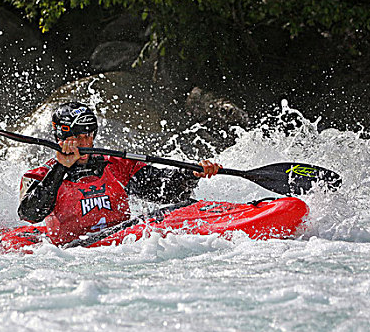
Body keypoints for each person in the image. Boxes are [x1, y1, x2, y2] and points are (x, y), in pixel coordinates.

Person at [18, 101, 221, 245]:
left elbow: (165, 191)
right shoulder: (42, 174)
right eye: (78, 137)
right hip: (70, 253)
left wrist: (191, 175)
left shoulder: (116, 165)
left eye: (88, 135)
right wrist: (60, 167)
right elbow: (30, 214)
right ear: (62, 138)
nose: (85, 143)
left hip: (121, 245)